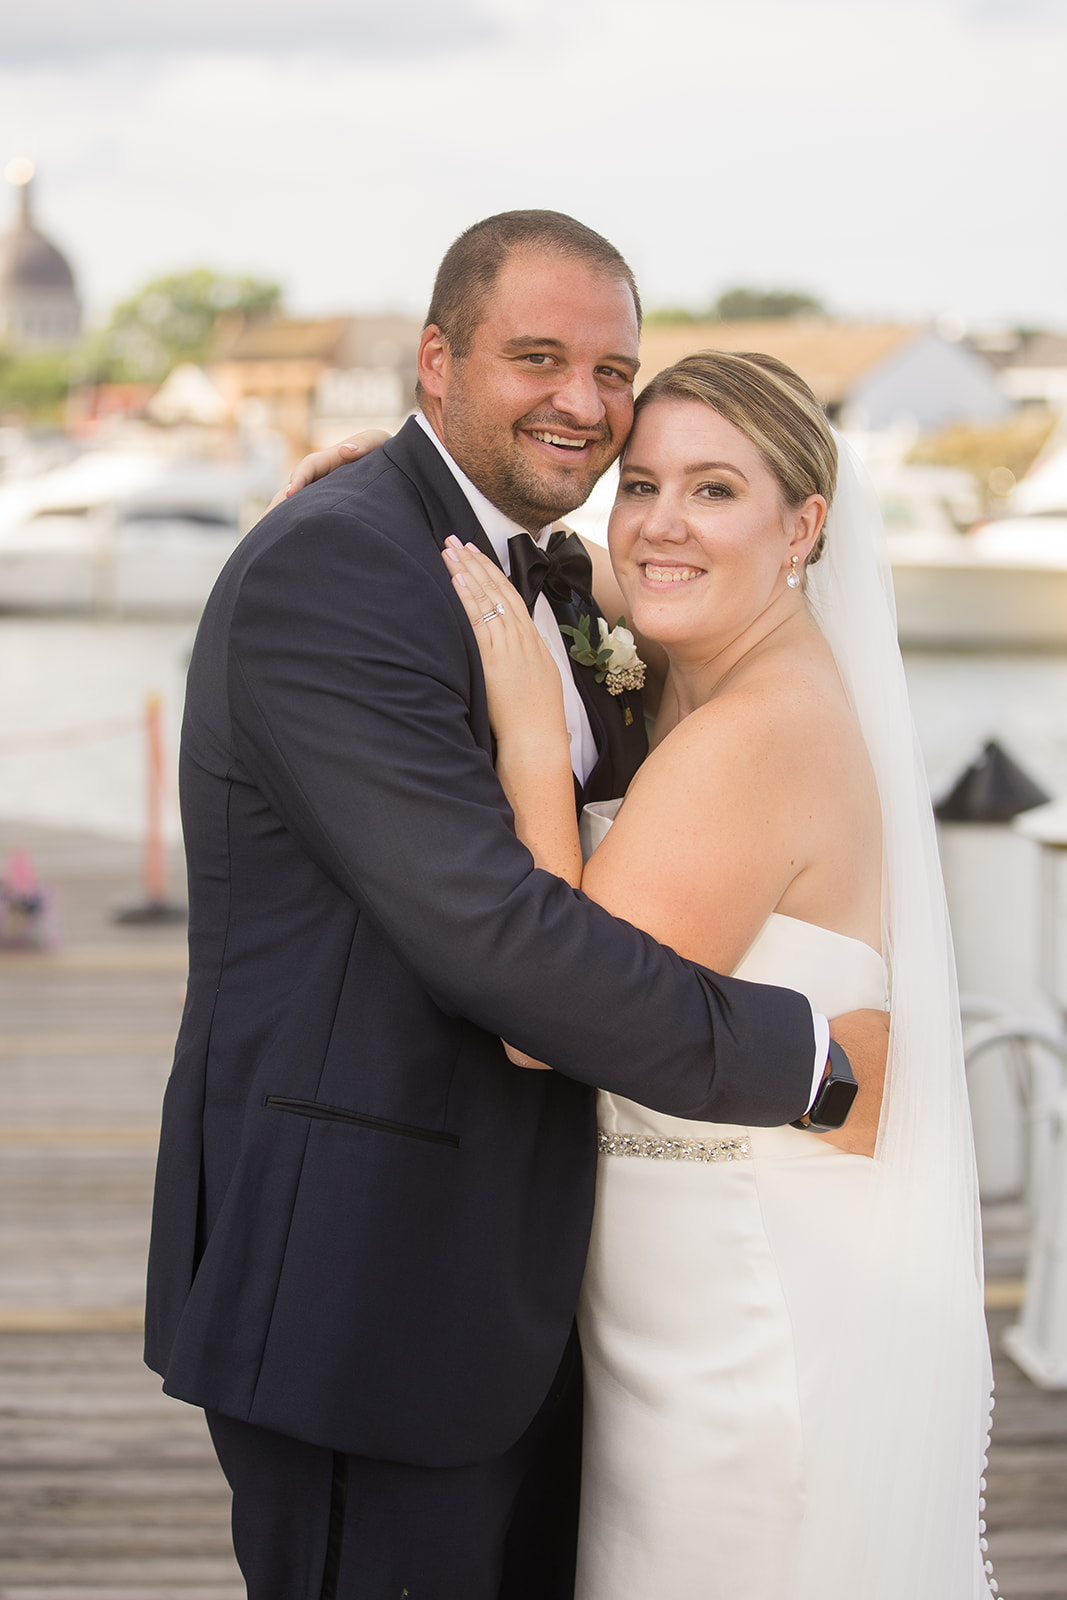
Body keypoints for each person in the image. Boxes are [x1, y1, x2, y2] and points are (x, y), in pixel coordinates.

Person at [144, 212, 887, 1600]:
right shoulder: (343, 566)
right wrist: (797, 1056)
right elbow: (498, 937)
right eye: (534, 357)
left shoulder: (546, 574)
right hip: (369, 1291)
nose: (582, 402)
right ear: (434, 362)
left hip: (540, 1299)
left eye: (612, 370)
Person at [431, 350, 996, 1598]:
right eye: (639, 485)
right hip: (678, 1310)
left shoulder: (756, 732)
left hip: (748, 1328)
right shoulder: (694, 687)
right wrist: (405, 480)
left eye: (713, 490)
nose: (660, 525)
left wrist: (530, 737)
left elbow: (549, 1018)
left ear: (803, 526)